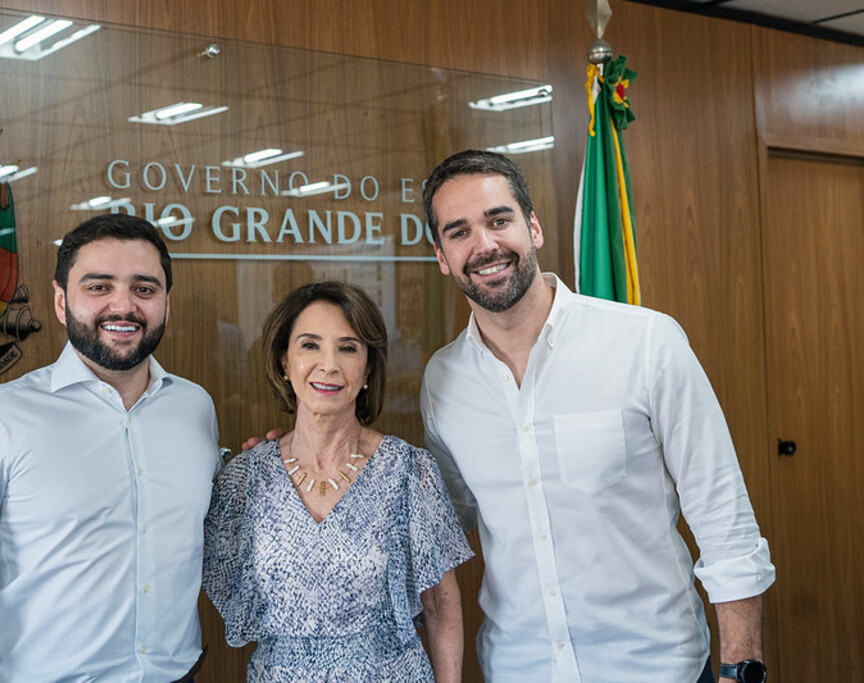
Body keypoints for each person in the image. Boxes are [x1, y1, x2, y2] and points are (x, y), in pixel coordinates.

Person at [419, 150, 775, 683]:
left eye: (499, 220)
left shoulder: (647, 342)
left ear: (533, 227)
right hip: (520, 670)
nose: (485, 245)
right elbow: (443, 522)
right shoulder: (442, 380)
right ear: (442, 256)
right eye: (459, 232)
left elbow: (725, 522)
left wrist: (740, 667)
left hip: (658, 669)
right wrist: (309, 458)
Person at [0, 214, 220, 682]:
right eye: (99, 287)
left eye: (144, 289)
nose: (123, 306)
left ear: (165, 304)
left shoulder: (195, 408)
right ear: (60, 301)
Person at [203, 281, 473, 682]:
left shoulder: (409, 472)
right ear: (283, 361)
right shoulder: (243, 480)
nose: (328, 364)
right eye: (309, 345)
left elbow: (440, 604)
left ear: (367, 368)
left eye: (348, 348)